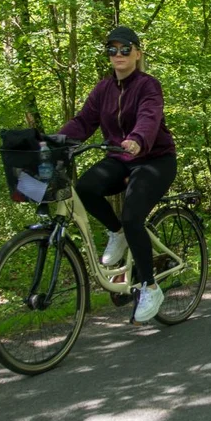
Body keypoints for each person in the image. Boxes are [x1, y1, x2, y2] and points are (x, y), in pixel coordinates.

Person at [58, 26, 177, 324]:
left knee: (132, 215)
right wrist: (54, 140)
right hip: (120, 158)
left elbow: (150, 116)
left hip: (154, 158)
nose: (118, 54)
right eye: (112, 49)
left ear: (137, 53)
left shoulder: (149, 85)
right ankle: (118, 234)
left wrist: (137, 137)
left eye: (125, 49)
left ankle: (150, 286)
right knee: (85, 187)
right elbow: (83, 122)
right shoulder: (103, 89)